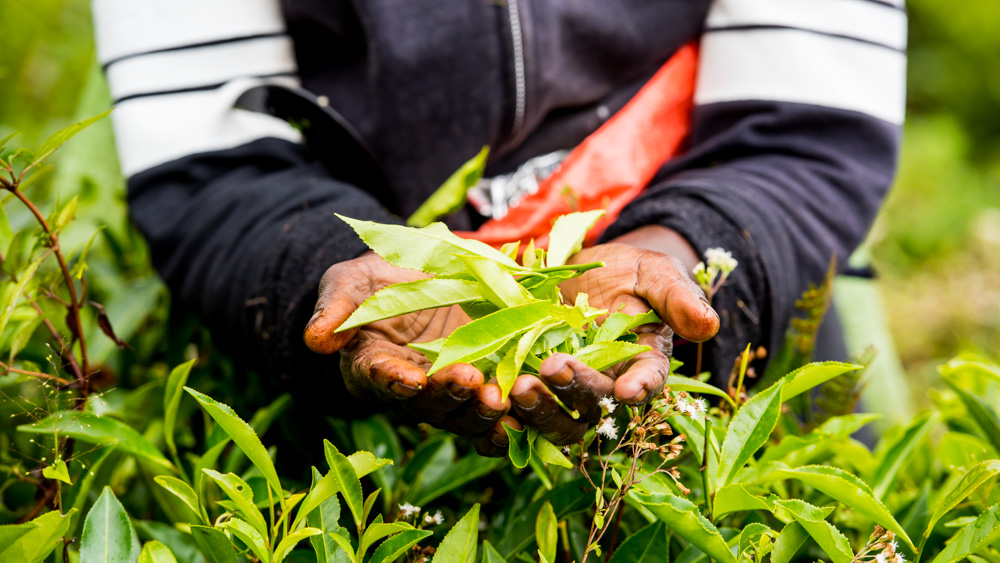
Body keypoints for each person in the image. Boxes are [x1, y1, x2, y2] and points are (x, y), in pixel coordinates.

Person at [91, 0, 906, 456]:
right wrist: (326, 266)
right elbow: (211, 163)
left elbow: (807, 131)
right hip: (345, 445)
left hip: (729, 387)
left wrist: (676, 255)